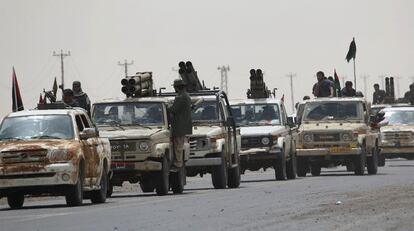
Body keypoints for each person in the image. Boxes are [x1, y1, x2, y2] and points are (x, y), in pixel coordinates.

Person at [168, 79, 192, 171]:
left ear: (177, 87)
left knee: (178, 146)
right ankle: (178, 162)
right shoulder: (185, 95)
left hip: (179, 125)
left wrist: (167, 107)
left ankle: (177, 164)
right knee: (178, 145)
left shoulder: (181, 97)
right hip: (182, 125)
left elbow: (173, 109)